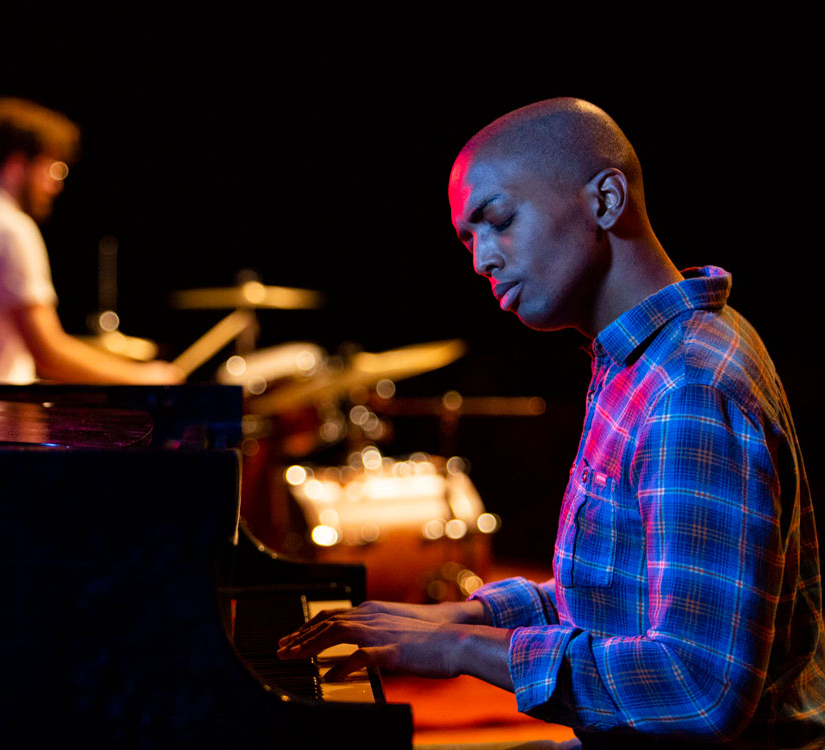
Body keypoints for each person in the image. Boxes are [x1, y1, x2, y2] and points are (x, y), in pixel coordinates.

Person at [278, 98, 825, 748]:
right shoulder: (641, 356)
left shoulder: (689, 386)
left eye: (499, 220)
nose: (482, 260)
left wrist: (459, 649)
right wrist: (466, 613)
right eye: (467, 240)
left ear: (606, 199)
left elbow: (695, 689)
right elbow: (611, 596)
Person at [0, 97, 183, 385]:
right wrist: (146, 377)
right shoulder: (8, 227)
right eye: (52, 168)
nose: (56, 184)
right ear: (17, 164)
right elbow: (48, 354)